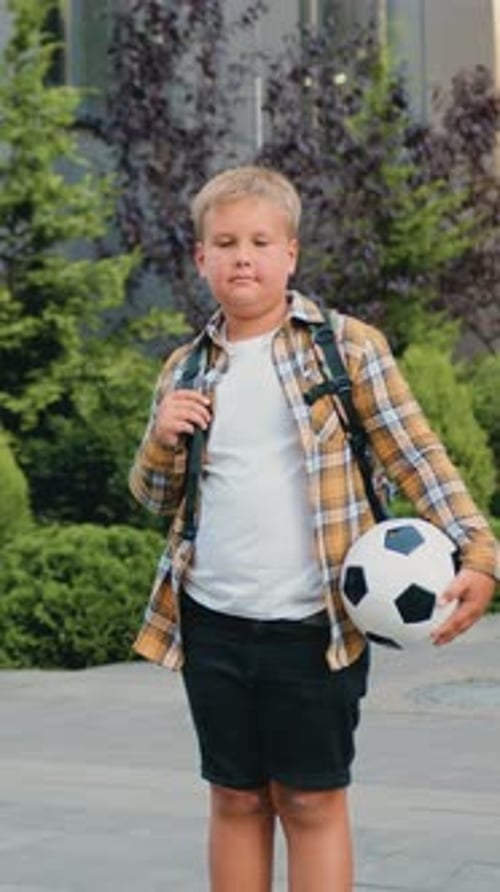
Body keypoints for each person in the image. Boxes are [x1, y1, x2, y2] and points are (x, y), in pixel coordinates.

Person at [129, 166, 499, 892]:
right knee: (235, 797)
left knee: (310, 799)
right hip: (213, 623)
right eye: (226, 242)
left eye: (260, 241)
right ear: (201, 258)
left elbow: (417, 457)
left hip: (314, 626)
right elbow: (154, 497)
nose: (244, 256)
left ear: (290, 254)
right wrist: (159, 438)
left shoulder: (346, 348)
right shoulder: (187, 369)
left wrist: (481, 553)